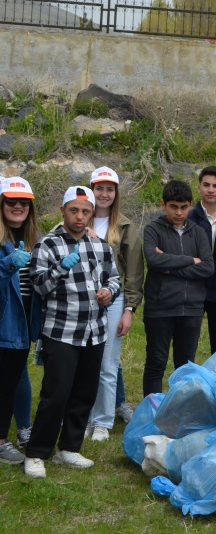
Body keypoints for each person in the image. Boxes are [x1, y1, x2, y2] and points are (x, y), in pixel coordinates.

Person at [23, 186, 120, 479]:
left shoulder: (101, 245)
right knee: (56, 394)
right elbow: (38, 285)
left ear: (92, 213)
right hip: (61, 331)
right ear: (63, 211)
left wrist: (108, 293)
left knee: (84, 393)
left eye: (85, 211)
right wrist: (59, 270)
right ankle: (37, 453)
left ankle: (69, 449)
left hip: (95, 331)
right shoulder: (48, 245)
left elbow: (114, 278)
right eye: (74, 210)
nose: (80, 217)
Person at [141, 180, 214, 395]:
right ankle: (151, 413)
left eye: (184, 207)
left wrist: (170, 264)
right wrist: (192, 260)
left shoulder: (199, 232)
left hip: (191, 308)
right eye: (174, 206)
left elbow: (208, 268)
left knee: (185, 366)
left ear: (191, 204)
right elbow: (154, 260)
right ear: (163, 205)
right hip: (159, 307)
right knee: (156, 362)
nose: (179, 212)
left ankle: (180, 414)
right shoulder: (152, 229)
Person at [86, 167, 143, 442]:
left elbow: (133, 271)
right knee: (85, 361)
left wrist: (129, 309)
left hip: (115, 299)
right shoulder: (77, 218)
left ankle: (103, 422)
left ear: (116, 193)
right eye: (99, 188)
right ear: (91, 189)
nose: (104, 194)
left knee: (108, 363)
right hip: (82, 300)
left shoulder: (125, 226)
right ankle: (83, 416)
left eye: (110, 189)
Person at [0, 177, 41, 465]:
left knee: (12, 379)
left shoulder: (33, 240)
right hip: (4, 322)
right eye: (11, 201)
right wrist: (6, 266)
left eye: (23, 202)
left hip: (22, 323)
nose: (17, 206)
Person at [188, 166, 216, 353]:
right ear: (199, 187)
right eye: (206, 185)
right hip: (194, 285)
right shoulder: (189, 216)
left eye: (215, 186)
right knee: (188, 340)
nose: (210, 190)